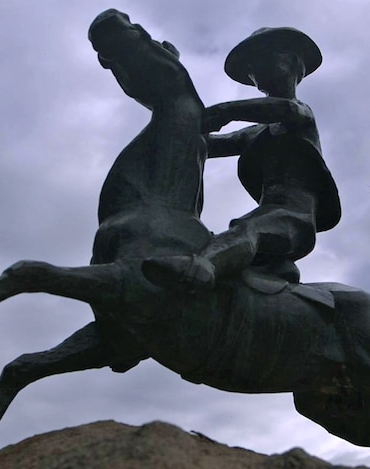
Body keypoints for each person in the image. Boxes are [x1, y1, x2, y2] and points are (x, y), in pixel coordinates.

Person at [142, 27, 341, 292]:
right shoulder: (255, 133)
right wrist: (165, 98)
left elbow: (286, 109)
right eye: (251, 65)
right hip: (265, 216)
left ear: (295, 63)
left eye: (268, 56)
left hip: (293, 220)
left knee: (243, 230)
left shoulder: (300, 114)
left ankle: (198, 269)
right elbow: (197, 142)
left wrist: (227, 111)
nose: (256, 68)